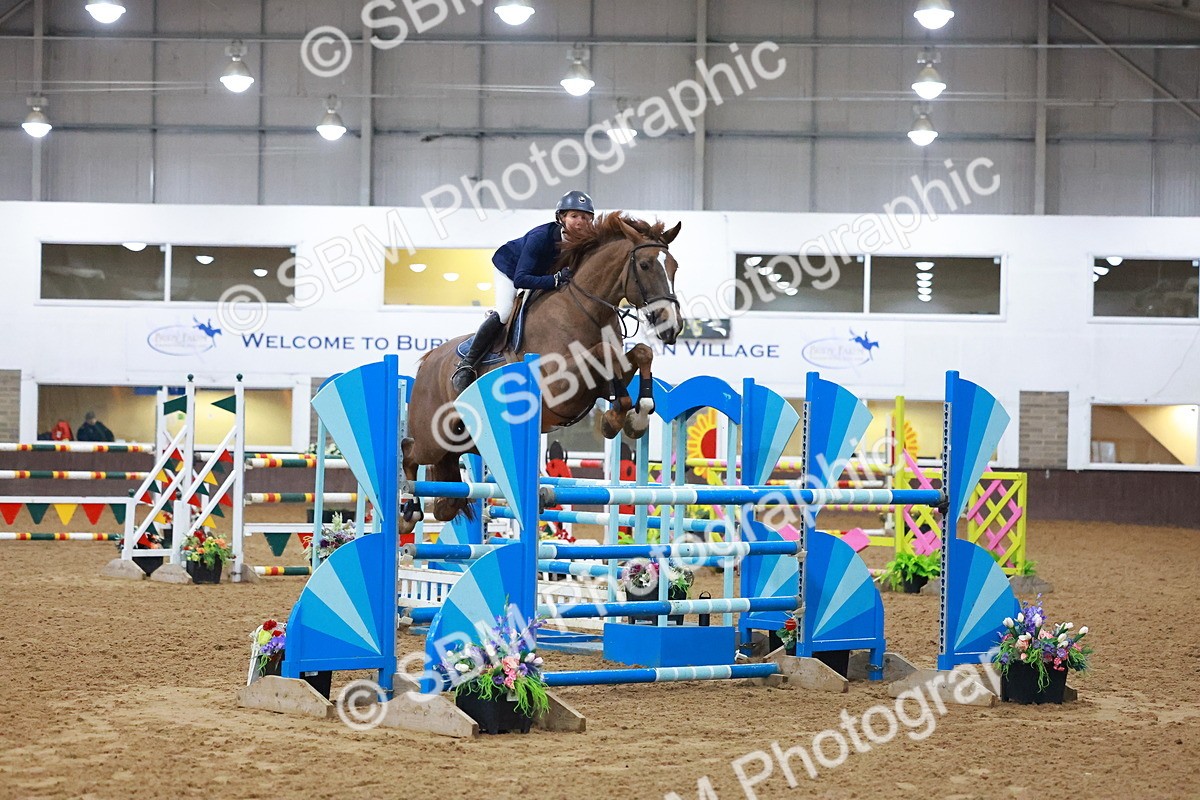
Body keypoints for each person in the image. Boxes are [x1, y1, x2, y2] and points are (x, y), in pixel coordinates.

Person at [450, 190, 595, 393]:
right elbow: (521, 279)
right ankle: (467, 364)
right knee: (504, 312)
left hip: (542, 274)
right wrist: (554, 280)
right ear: (561, 217)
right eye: (574, 216)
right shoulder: (540, 237)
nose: (580, 222)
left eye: (585, 217)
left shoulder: (586, 243)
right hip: (511, 269)